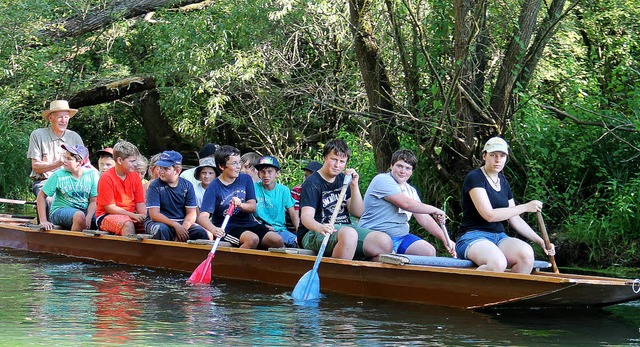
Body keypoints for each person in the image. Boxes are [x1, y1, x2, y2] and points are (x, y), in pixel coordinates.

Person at [455, 137, 555, 274]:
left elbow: (515, 218)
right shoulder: (475, 177)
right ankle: (471, 290)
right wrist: (525, 207)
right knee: (497, 263)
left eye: (502, 156)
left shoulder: (503, 181)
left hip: (499, 237)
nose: (497, 160)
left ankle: (513, 294)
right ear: (484, 156)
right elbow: (489, 215)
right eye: (493, 155)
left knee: (526, 255)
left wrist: (541, 241)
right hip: (472, 237)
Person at [299, 139, 392, 260]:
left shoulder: (344, 180)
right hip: (314, 232)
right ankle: (336, 276)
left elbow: (358, 212)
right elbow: (306, 217)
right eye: (334, 159)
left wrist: (354, 186)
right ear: (324, 157)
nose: (337, 165)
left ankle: (356, 273)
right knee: (349, 234)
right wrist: (320, 227)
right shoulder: (312, 183)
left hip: (345, 229)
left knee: (384, 242)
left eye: (342, 161)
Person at [358, 149, 455, 256]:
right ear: (391, 166)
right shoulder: (382, 180)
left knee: (428, 251)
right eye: (399, 166)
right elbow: (406, 204)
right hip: (374, 235)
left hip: (400, 237)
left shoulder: (411, 191)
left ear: (412, 172)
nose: (403, 171)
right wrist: (435, 210)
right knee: (387, 252)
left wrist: (445, 239)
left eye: (408, 168)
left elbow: (424, 218)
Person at [197, 145, 284, 249]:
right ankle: (236, 265)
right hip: (227, 227)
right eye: (234, 163)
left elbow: (252, 207)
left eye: (239, 162)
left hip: (249, 224)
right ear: (221, 166)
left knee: (277, 241)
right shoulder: (213, 187)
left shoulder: (246, 179)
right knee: (252, 239)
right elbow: (202, 217)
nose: (239, 167)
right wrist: (214, 229)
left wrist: (240, 205)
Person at [144, 151, 209, 241]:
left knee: (200, 232)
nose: (161, 172)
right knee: (161, 230)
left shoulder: (187, 185)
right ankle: (162, 254)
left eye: (166, 169)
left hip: (181, 221)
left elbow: (191, 213)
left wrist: (183, 229)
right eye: (160, 168)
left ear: (177, 170)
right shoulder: (155, 185)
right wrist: (175, 225)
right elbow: (154, 215)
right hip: (158, 222)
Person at [28, 100, 84, 197]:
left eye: (66, 117)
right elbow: (36, 167)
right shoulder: (38, 135)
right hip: (45, 181)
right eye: (60, 117)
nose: (64, 120)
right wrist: (58, 163)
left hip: (71, 182)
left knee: (89, 198)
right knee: (51, 199)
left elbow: (85, 164)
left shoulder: (74, 137)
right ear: (50, 118)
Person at [36, 144, 99, 231]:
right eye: (65, 157)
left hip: (83, 211)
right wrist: (43, 221)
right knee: (79, 216)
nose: (64, 161)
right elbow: (41, 197)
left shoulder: (92, 175)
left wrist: (88, 217)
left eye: (69, 159)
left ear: (80, 162)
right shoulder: (58, 175)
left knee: (100, 218)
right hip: (60, 211)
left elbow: (93, 201)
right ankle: (72, 243)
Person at [95, 140, 146, 236]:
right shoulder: (106, 177)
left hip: (131, 214)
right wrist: (133, 215)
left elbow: (140, 203)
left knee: (151, 225)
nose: (135, 164)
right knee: (127, 224)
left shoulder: (135, 176)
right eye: (132, 161)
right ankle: (129, 251)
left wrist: (145, 217)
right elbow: (110, 208)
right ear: (119, 160)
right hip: (106, 215)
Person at [253, 155, 299, 247]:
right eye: (262, 172)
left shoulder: (283, 190)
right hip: (259, 228)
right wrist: (261, 226)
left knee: (296, 242)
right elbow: (249, 213)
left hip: (279, 229)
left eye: (270, 172)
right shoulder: (253, 187)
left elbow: (293, 213)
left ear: (277, 173)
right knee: (276, 242)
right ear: (258, 174)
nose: (266, 175)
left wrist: (299, 232)